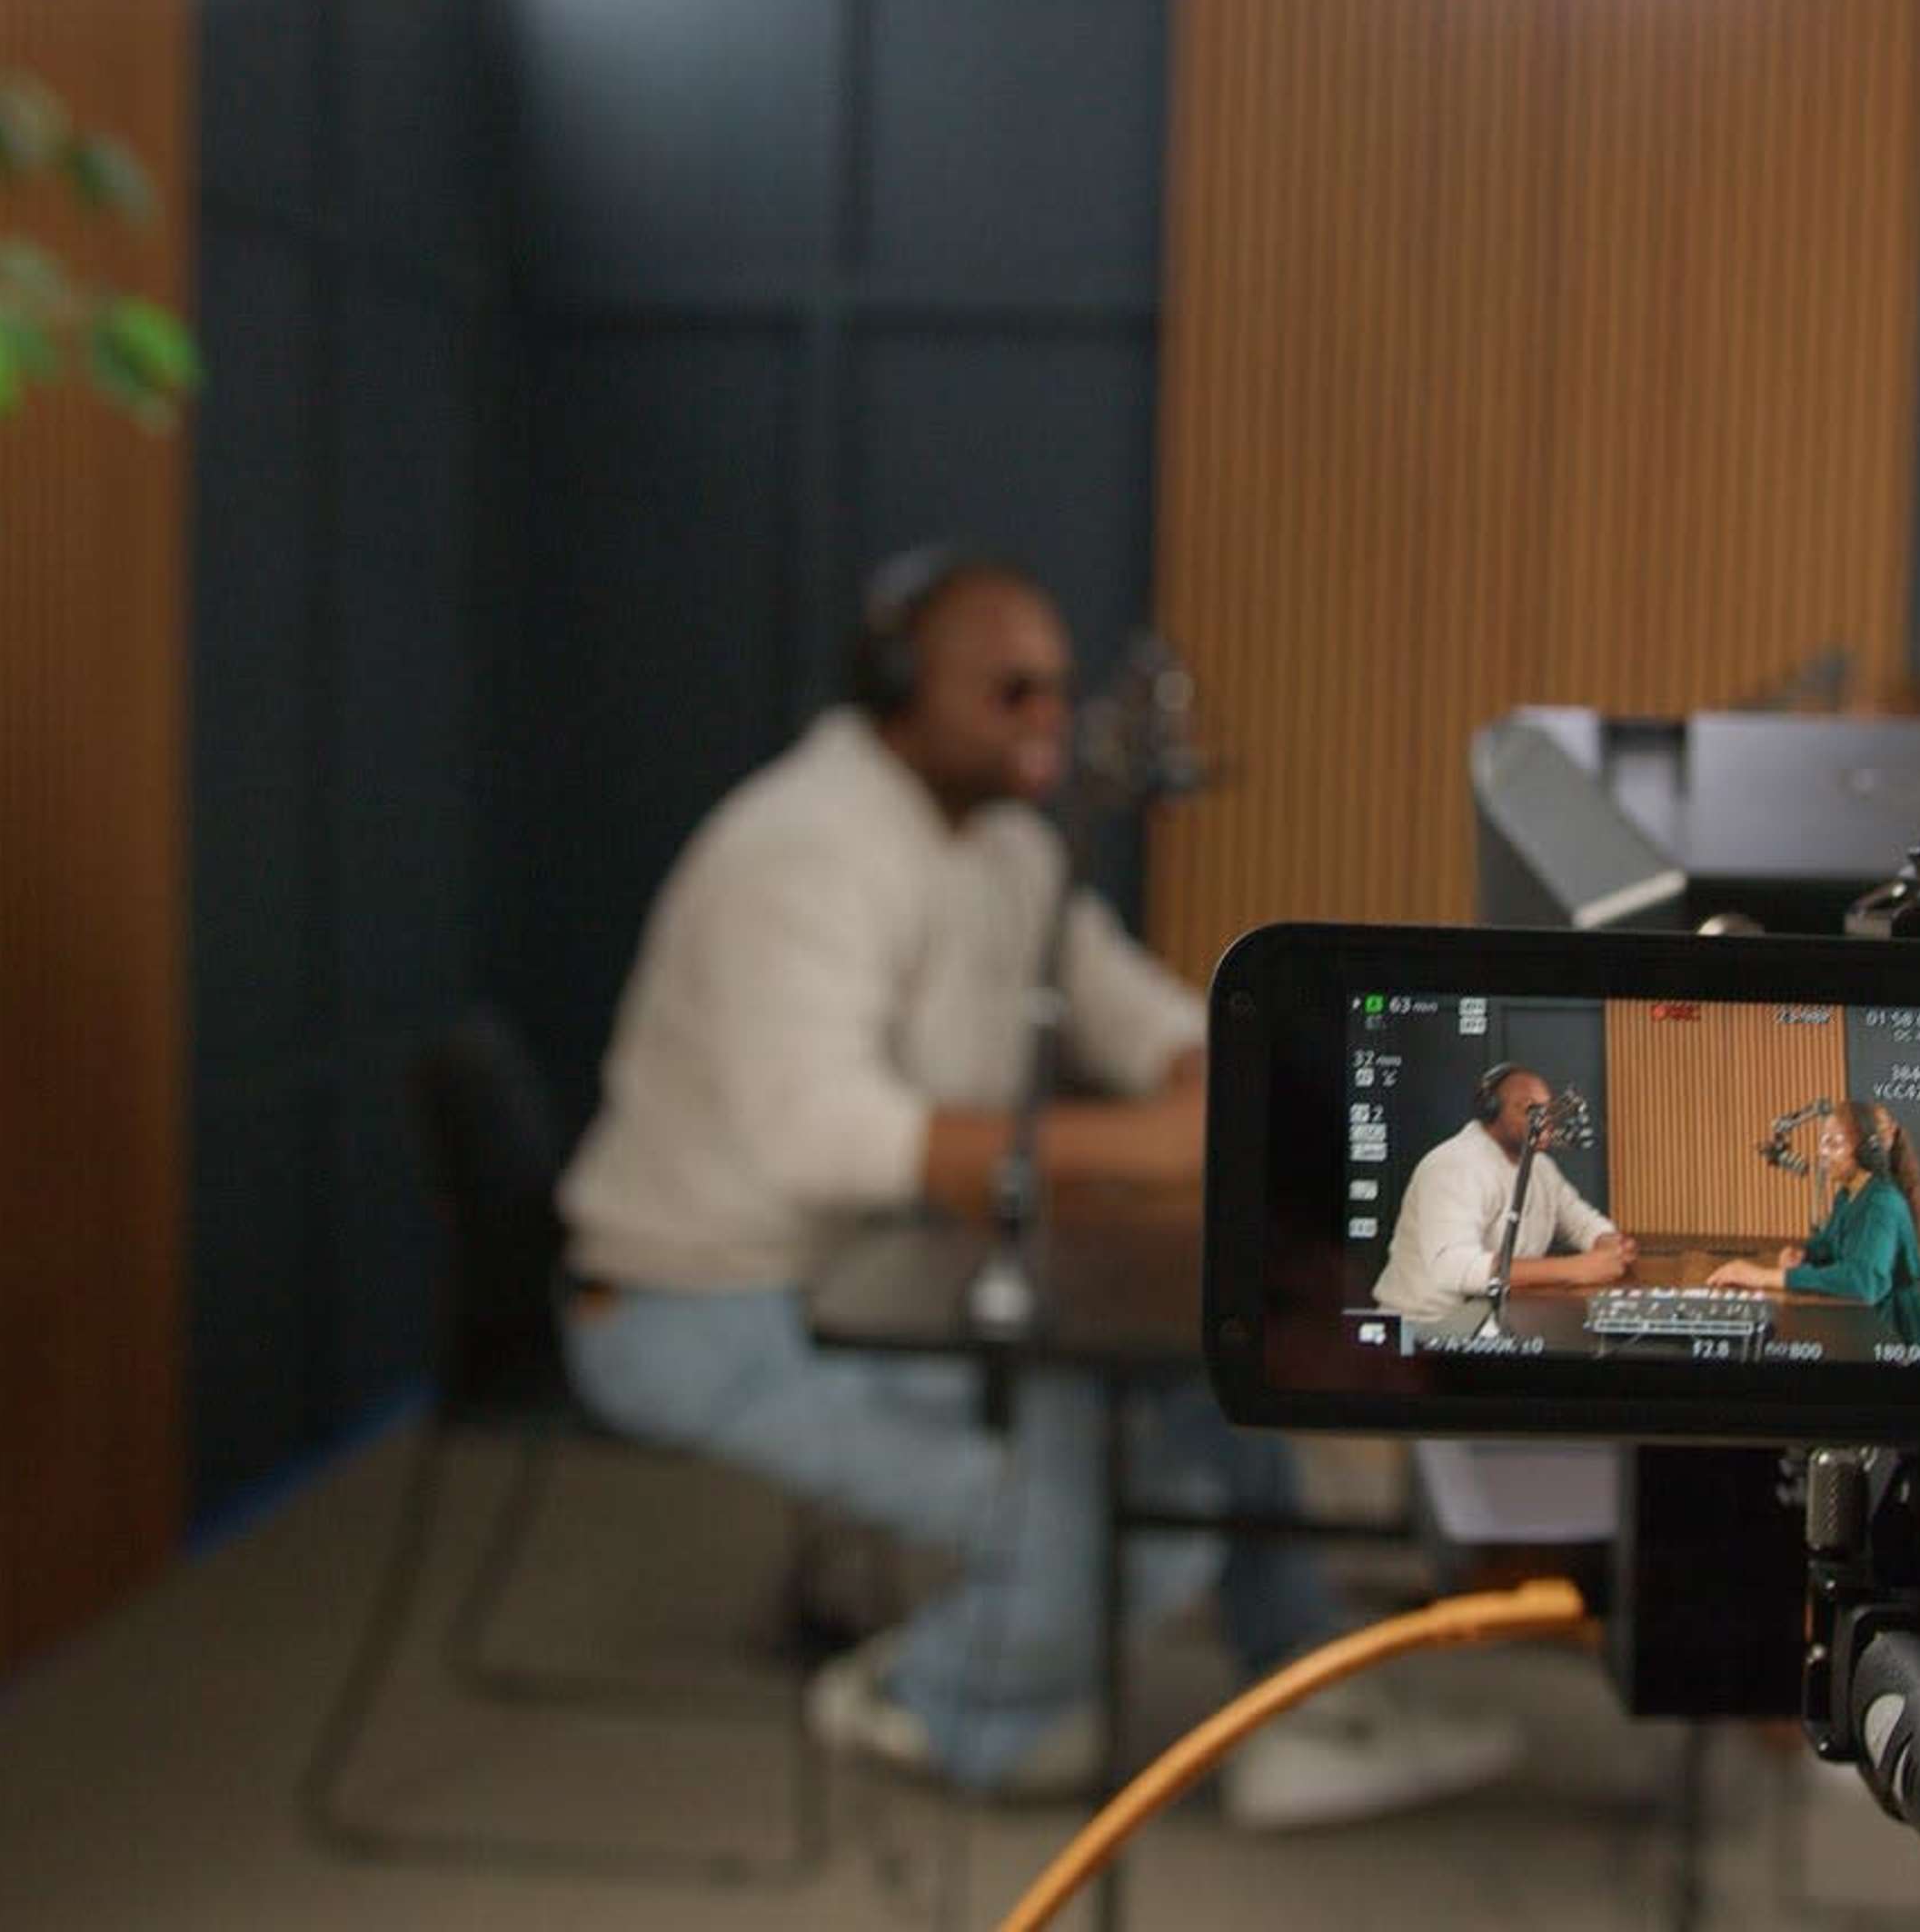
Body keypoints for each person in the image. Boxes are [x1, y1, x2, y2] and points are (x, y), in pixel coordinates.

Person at [556, 544, 1520, 1824]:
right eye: (1009, 692)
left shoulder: (1005, 850)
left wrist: (1220, 1069)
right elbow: (819, 1137)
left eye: (1057, 692)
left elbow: (1132, 1010)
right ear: (903, 685)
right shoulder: (798, 847)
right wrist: (1135, 1148)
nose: (1047, 722)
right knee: (1104, 1515)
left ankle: (1291, 1708)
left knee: (1205, 1390)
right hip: (705, 1309)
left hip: (890, 1279)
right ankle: (940, 1701)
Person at [1374, 1063, 1636, 1329]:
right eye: (1529, 1109)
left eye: (1546, 1108)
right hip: (1426, 1328)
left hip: (1496, 1320)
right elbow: (1453, 1267)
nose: (1544, 1119)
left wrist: (1608, 1242)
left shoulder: (1541, 1168)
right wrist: (1577, 1269)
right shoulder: (1453, 1165)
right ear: (1492, 1112)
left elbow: (1581, 1222)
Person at [1708, 1099, 1920, 1356]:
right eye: (1823, 1142)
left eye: (1833, 1143)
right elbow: (1830, 1242)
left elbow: (1864, 1281)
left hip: (1896, 1340)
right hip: (1863, 1328)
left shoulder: (1882, 1203)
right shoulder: (1848, 1194)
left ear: (1865, 1150)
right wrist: (1805, 1253)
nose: (1822, 1152)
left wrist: (1766, 1277)